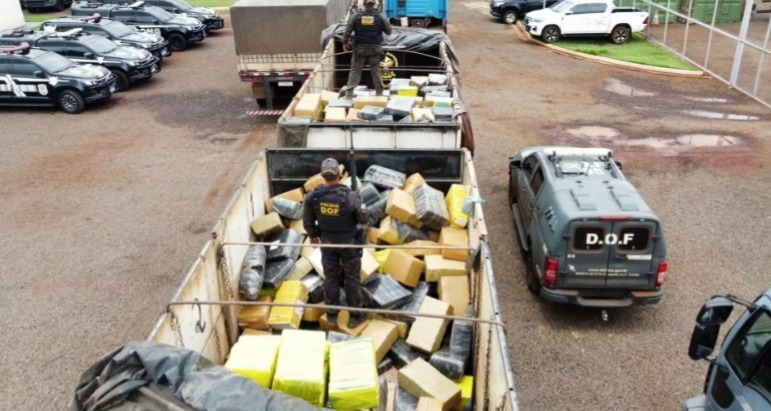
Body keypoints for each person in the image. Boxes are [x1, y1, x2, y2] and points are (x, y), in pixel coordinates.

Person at [302, 158, 370, 329]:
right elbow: (364, 219)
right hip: (349, 244)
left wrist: (313, 236)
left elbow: (307, 220)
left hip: (328, 244)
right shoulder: (350, 196)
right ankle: (355, 315)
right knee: (352, 279)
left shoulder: (313, 196)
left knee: (330, 278)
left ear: (322, 175)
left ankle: (332, 315)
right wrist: (359, 198)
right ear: (339, 175)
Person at [341, 0, 392, 97]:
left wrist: (345, 42)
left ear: (364, 4)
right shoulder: (380, 17)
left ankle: (349, 93)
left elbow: (347, 31)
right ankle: (379, 93)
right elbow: (389, 32)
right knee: (376, 71)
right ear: (375, 4)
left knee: (355, 70)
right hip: (375, 50)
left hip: (360, 50)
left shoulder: (355, 16)